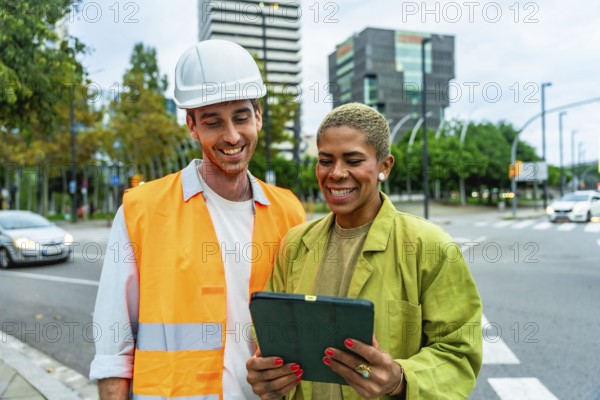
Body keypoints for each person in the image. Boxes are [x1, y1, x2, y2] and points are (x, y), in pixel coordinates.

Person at [89, 39, 306, 399]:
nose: (232, 136)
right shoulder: (141, 209)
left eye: (240, 117)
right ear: (191, 126)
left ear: (259, 117)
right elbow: (113, 341)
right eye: (212, 122)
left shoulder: (289, 211)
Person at [246, 103, 482, 399]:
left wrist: (400, 380)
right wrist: (266, 373)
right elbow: (270, 336)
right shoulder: (295, 244)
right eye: (325, 160)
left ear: (385, 166)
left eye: (354, 160)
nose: (337, 173)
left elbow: (459, 352)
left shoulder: (429, 246)